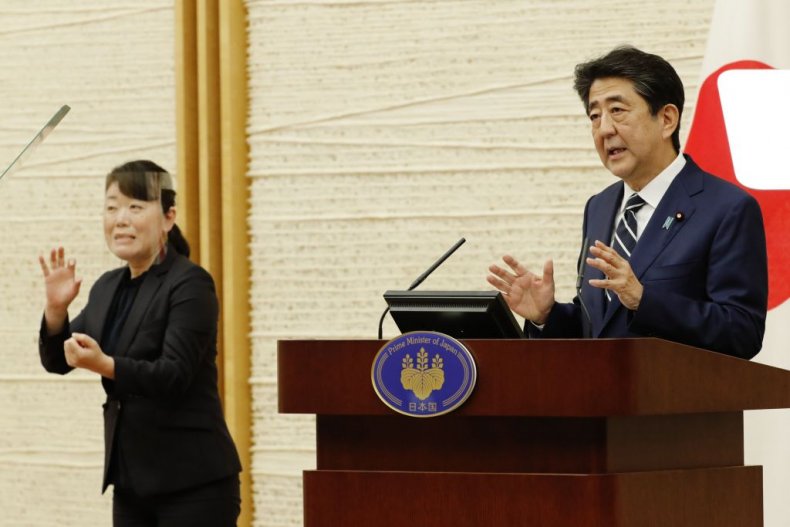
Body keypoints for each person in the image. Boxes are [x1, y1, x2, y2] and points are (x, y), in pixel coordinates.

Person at [487, 46, 768, 359]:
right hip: (603, 402)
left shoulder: (726, 208)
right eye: (595, 116)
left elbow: (742, 332)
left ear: (667, 119)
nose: (605, 129)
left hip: (678, 404)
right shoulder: (599, 206)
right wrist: (547, 315)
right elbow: (600, 324)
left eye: (617, 110)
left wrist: (644, 300)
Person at [38, 160, 242, 526]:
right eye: (112, 207)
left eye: (135, 207)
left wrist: (106, 365)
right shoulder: (107, 287)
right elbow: (59, 359)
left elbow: (174, 374)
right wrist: (56, 311)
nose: (121, 218)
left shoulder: (189, 283)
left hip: (194, 484)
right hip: (132, 484)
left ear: (168, 217)